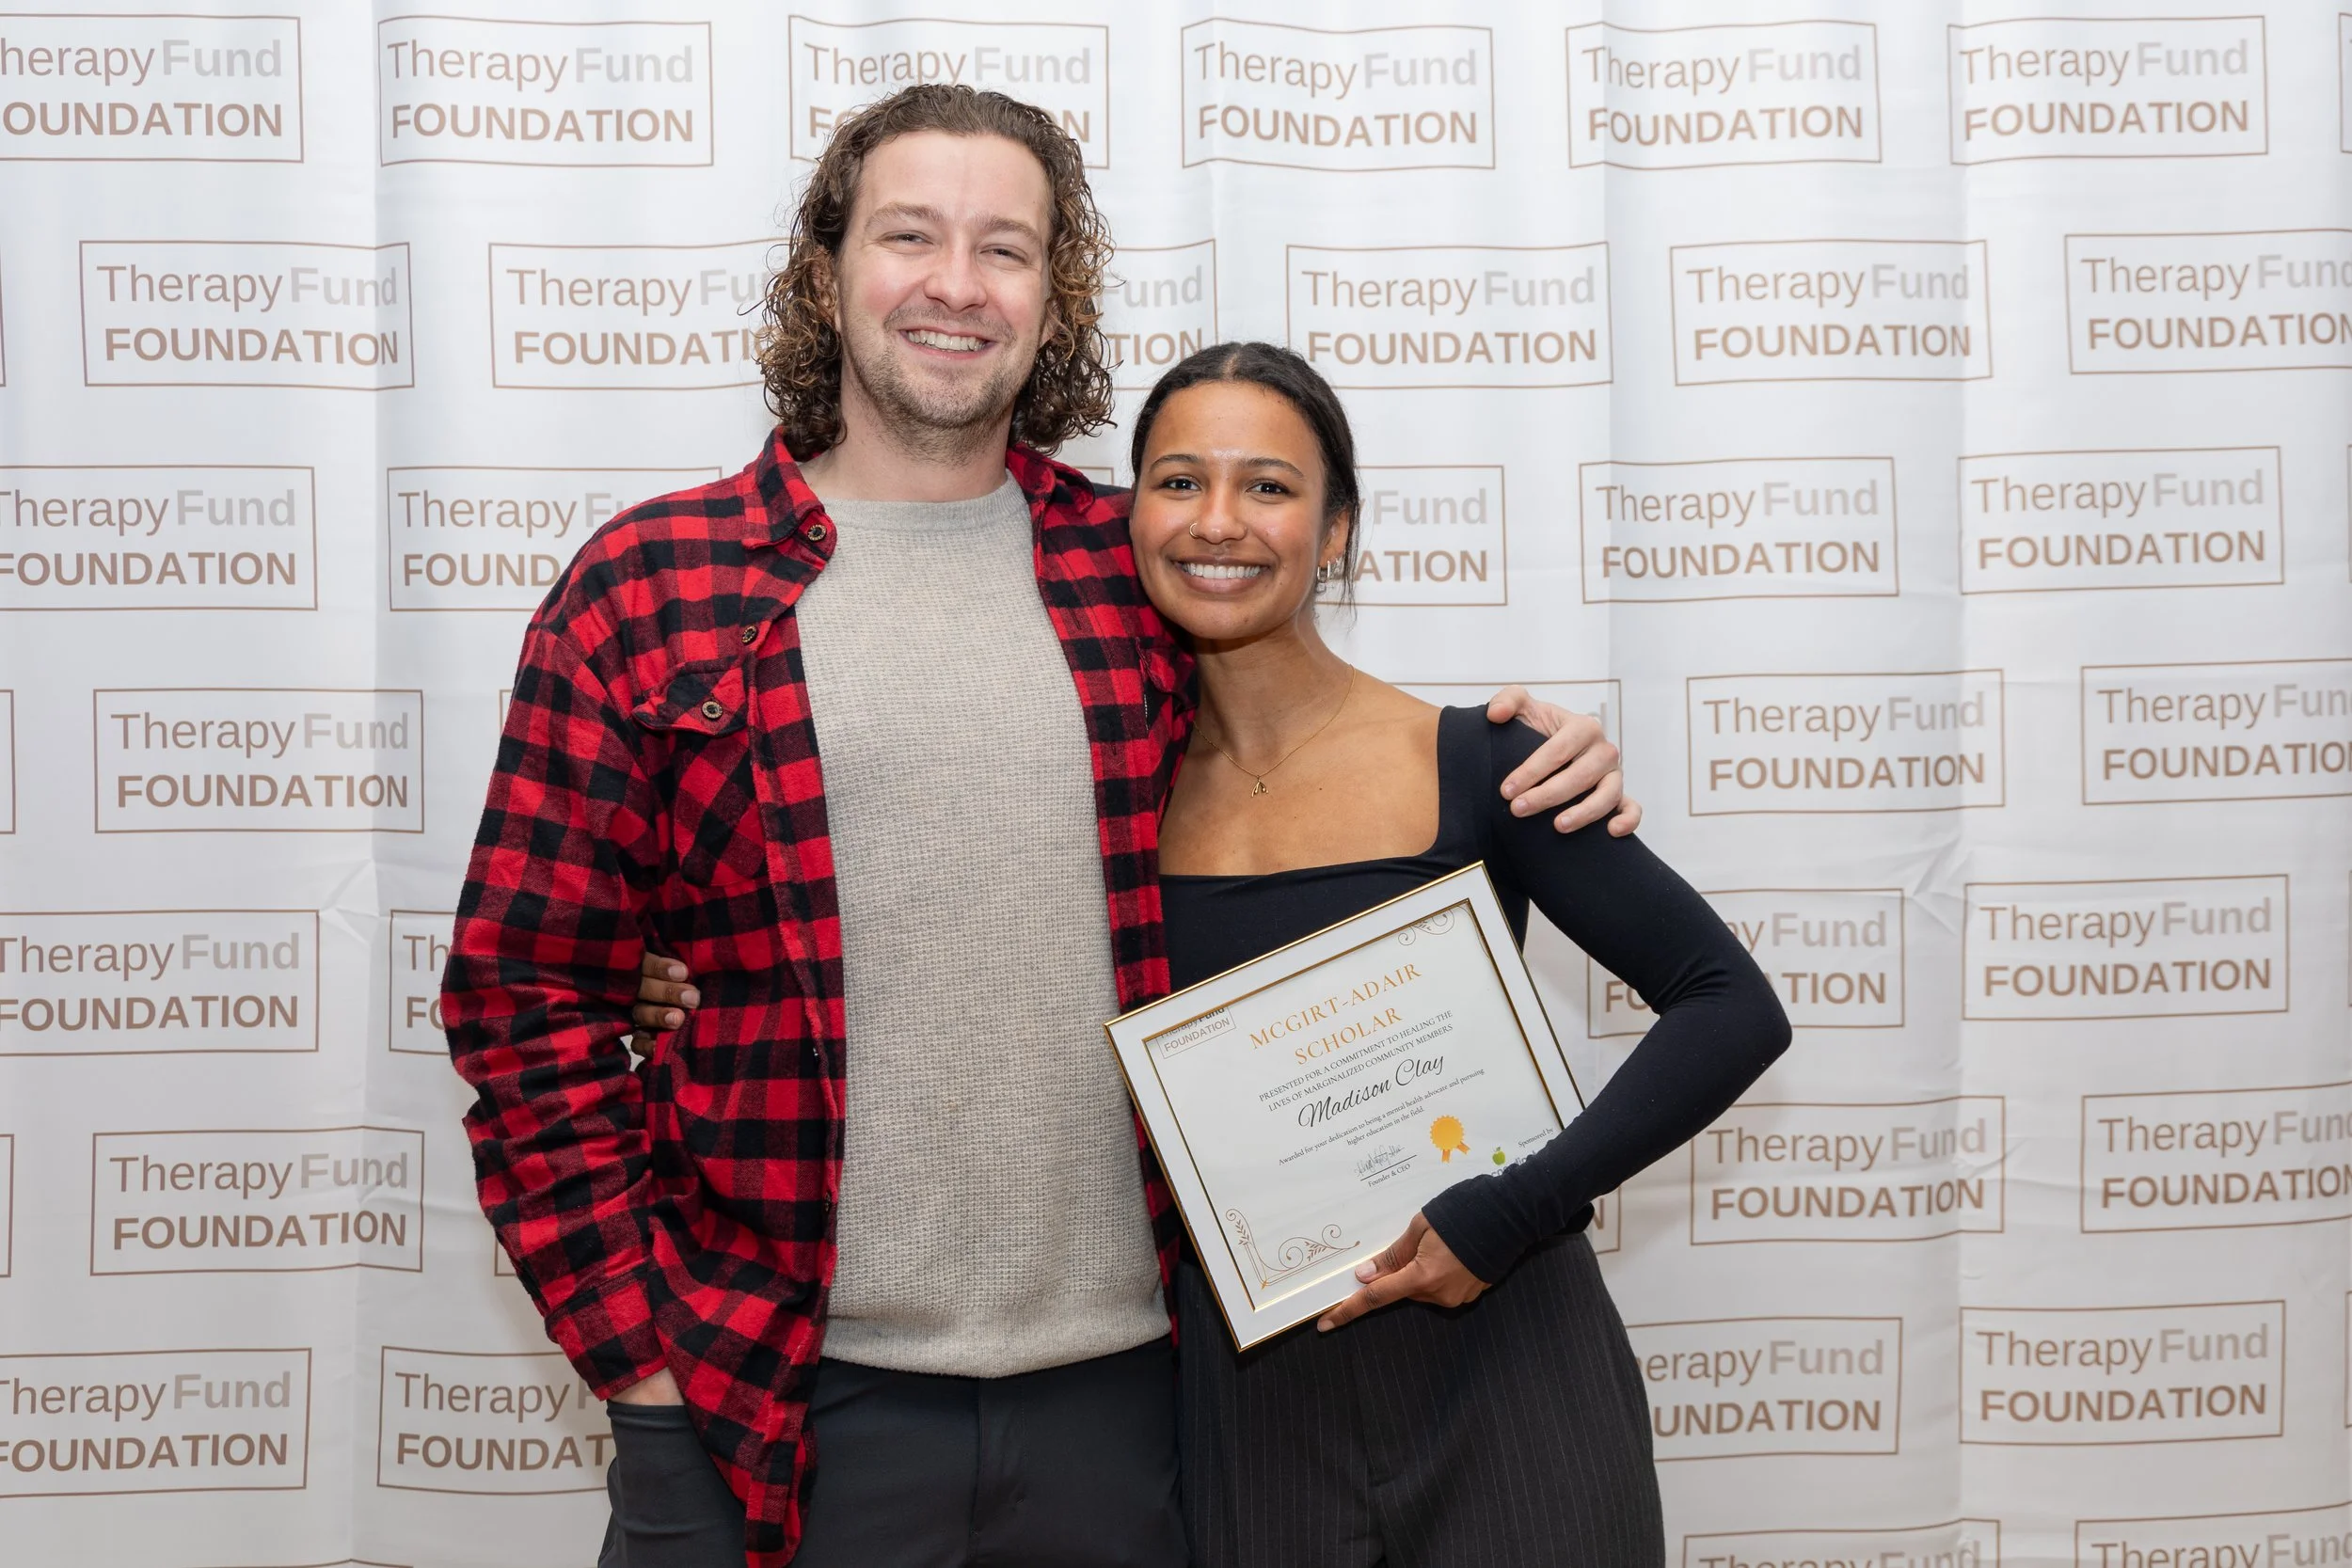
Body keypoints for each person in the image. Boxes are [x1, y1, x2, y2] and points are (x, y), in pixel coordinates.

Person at [442, 86, 1636, 1568]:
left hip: (1132, 1408)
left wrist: (1523, 758)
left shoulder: (1131, 569)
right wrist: (643, 1369)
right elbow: (523, 1001)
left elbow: (1311, 752)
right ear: (827, 271)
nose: (956, 284)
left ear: (1054, 293)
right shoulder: (652, 585)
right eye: (910, 236)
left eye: (1005, 247)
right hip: (773, 1404)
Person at [636, 340, 1790, 1568]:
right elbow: (898, 910)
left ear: (1336, 530)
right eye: (1178, 483)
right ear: (1128, 520)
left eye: (1272, 487)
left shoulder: (1486, 762)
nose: (1220, 522)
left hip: (1508, 1371)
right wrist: (680, 972)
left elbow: (1731, 1006)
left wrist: (1510, 1214)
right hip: (1248, 1418)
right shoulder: (1108, 792)